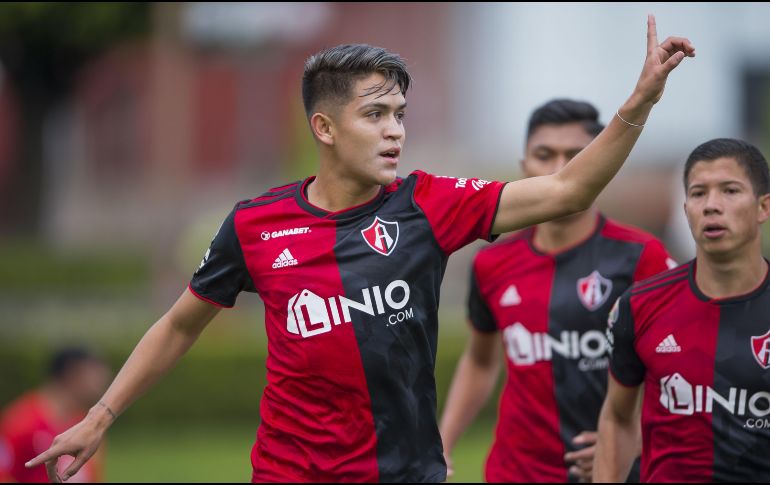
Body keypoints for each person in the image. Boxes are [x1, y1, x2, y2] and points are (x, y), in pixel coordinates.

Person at [27, 16, 694, 483]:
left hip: (405, 471)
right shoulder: (256, 225)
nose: (394, 130)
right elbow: (179, 323)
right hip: (289, 472)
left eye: (399, 113)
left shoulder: (429, 204)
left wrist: (642, 97)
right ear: (324, 126)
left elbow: (570, 190)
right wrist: (100, 415)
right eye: (375, 114)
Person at [438, 99, 676, 483]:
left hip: (613, 471)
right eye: (544, 155)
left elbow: (680, 366)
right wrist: (443, 443)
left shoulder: (641, 257)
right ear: (524, 167)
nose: (557, 169)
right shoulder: (492, 263)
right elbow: (481, 362)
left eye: (575, 156)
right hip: (516, 471)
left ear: (601, 165)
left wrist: (634, 439)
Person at [594, 138, 770, 482]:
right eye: (699, 193)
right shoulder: (640, 305)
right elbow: (617, 418)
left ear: (763, 207)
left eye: (730, 191)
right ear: (686, 207)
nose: (711, 205)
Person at [0, 348, 110, 483]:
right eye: (94, 372)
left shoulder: (88, 423)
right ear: (72, 374)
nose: (104, 378)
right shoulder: (21, 421)